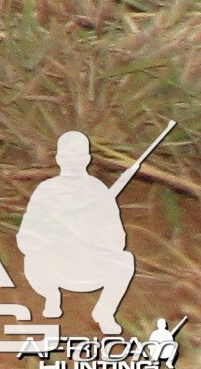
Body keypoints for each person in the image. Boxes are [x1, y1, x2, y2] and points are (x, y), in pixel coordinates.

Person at [17, 132, 137, 333]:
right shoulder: (47, 190)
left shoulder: (98, 191)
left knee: (124, 260)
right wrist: (57, 240)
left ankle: (104, 312)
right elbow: (26, 239)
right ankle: (52, 297)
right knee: (31, 259)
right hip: (54, 267)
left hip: (89, 268)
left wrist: (91, 239)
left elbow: (117, 239)